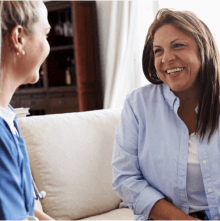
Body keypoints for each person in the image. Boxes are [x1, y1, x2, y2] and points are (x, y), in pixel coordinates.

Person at [112, 8, 220, 221]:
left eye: (178, 45)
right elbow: (125, 178)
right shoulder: (138, 105)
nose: (166, 58)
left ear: (203, 49)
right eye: (158, 51)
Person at [0, 0, 54, 220]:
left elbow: (28, 209)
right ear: (19, 38)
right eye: (46, 35)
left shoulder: (8, 116)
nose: (47, 46)